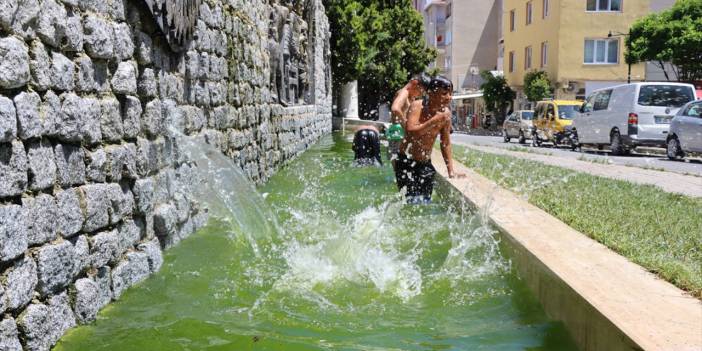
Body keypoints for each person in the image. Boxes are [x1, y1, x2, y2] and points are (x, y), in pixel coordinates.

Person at [395, 76, 465, 204]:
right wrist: (434, 121)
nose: (449, 97)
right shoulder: (417, 106)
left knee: (424, 203)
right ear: (431, 93)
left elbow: (445, 143)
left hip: (425, 163)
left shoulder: (446, 114)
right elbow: (411, 133)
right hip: (406, 162)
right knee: (411, 202)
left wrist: (451, 171)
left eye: (451, 94)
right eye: (444, 93)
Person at [388, 73, 431, 169]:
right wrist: (406, 124)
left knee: (402, 165)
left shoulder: (410, 96)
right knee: (398, 165)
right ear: (414, 83)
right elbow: (395, 108)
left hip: (396, 132)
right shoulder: (404, 92)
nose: (420, 94)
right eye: (421, 91)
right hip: (397, 131)